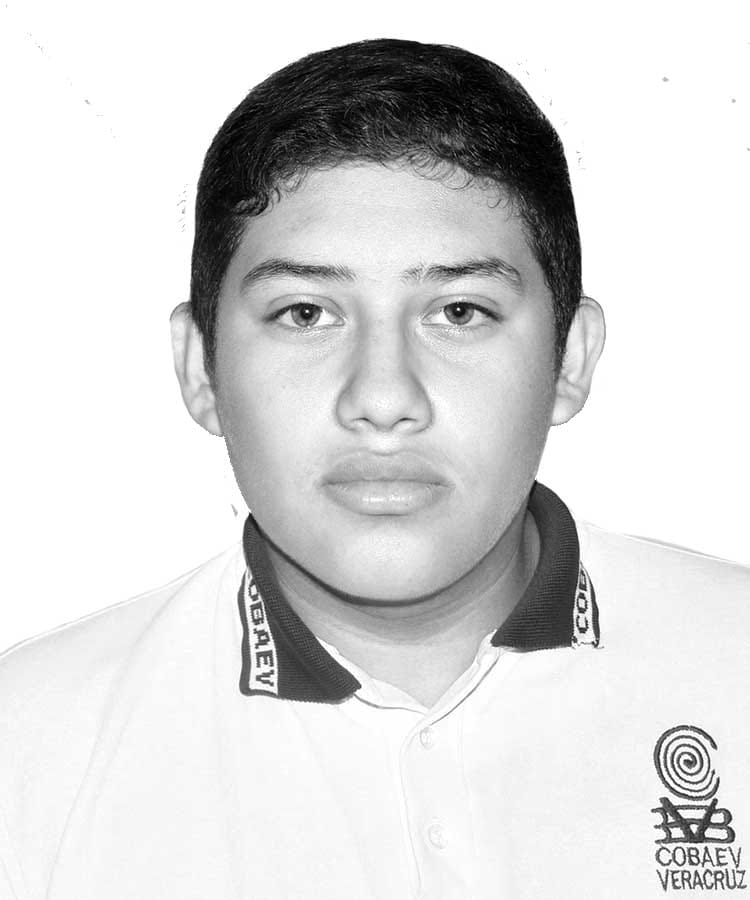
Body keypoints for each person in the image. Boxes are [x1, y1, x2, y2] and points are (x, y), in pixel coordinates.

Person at [0, 37, 747, 900]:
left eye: (459, 311)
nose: (384, 398)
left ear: (569, 358)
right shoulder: (28, 754)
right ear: (201, 368)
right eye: (305, 313)